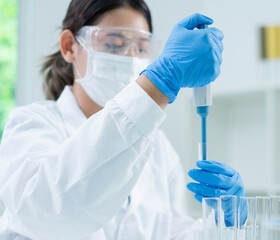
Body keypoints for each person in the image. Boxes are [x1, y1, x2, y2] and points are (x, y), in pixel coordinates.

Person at [0, 0, 246, 239]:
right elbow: (50, 213)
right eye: (115, 45)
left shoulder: (159, 147)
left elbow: (173, 233)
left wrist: (222, 225)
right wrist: (161, 82)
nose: (130, 57)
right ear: (69, 46)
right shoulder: (30, 125)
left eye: (141, 48)